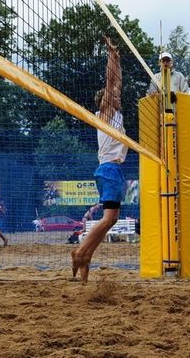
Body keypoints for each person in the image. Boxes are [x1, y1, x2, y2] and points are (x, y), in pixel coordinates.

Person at [71, 36, 128, 284]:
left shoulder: (115, 115)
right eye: (112, 96)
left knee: (111, 219)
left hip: (110, 170)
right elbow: (111, 82)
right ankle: (80, 252)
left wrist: (117, 58)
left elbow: (117, 83)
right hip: (108, 170)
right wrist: (110, 56)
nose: (117, 96)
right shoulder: (104, 114)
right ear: (105, 100)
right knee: (109, 218)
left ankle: (85, 257)